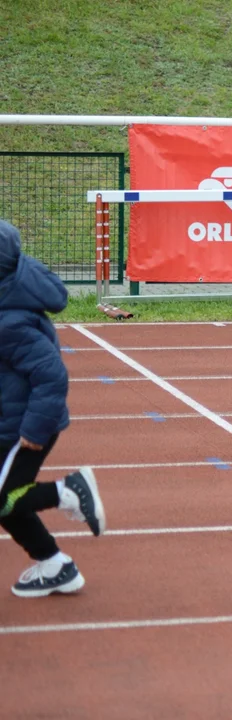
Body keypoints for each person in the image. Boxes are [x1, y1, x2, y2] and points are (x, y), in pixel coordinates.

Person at [0, 219, 105, 598]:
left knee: (4, 499)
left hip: (23, 429)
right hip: (10, 422)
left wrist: (33, 431)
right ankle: (54, 565)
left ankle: (67, 492)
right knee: (6, 500)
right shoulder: (8, 296)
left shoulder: (10, 322)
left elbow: (51, 377)